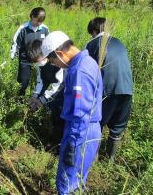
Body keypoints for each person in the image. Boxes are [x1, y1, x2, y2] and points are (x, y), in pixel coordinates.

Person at [28, 31, 103, 194]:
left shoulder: (79, 72)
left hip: (80, 133)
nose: (54, 64)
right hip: (88, 129)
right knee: (78, 179)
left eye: (53, 60)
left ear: (60, 53)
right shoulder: (87, 61)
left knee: (66, 182)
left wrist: (72, 146)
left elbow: (80, 114)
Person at [86, 17, 133, 160]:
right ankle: (109, 161)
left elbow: (87, 69)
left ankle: (92, 160)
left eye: (92, 33)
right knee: (117, 127)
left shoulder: (93, 44)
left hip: (108, 90)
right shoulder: (119, 42)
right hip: (127, 88)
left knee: (97, 122)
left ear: (94, 31)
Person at [28, 39, 65, 148]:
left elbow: (56, 85)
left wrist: (42, 99)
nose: (39, 63)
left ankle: (56, 144)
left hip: (61, 91)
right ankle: (52, 138)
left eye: (40, 60)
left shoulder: (57, 64)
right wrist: (35, 96)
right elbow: (40, 81)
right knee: (52, 114)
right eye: (36, 62)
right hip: (51, 92)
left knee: (59, 115)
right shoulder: (40, 65)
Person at [10, 7, 49, 96]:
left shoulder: (44, 29)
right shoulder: (23, 29)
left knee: (41, 81)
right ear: (31, 16)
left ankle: (37, 100)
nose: (38, 23)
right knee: (23, 82)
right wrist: (12, 58)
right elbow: (16, 44)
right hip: (25, 60)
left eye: (41, 21)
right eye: (37, 21)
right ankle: (20, 99)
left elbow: (48, 44)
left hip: (40, 60)